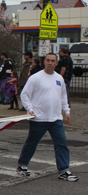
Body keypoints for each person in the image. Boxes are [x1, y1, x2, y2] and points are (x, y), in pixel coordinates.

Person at [16, 53, 78, 182]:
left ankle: (64, 170)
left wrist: (66, 111)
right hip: (39, 118)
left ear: (56, 63)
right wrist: (30, 109)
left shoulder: (59, 78)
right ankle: (22, 165)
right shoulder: (35, 78)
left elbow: (63, 96)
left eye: (53, 61)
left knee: (61, 144)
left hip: (55, 118)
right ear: (44, 62)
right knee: (32, 143)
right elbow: (25, 94)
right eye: (48, 60)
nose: (50, 63)